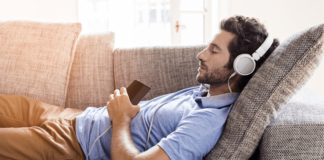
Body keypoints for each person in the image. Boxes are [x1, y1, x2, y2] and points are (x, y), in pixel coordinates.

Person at [0, 15, 280, 160]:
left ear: (241, 66)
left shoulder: (206, 123)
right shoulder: (205, 94)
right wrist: (122, 107)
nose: (201, 54)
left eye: (214, 50)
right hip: (72, 116)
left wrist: (121, 117)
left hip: (71, 145)